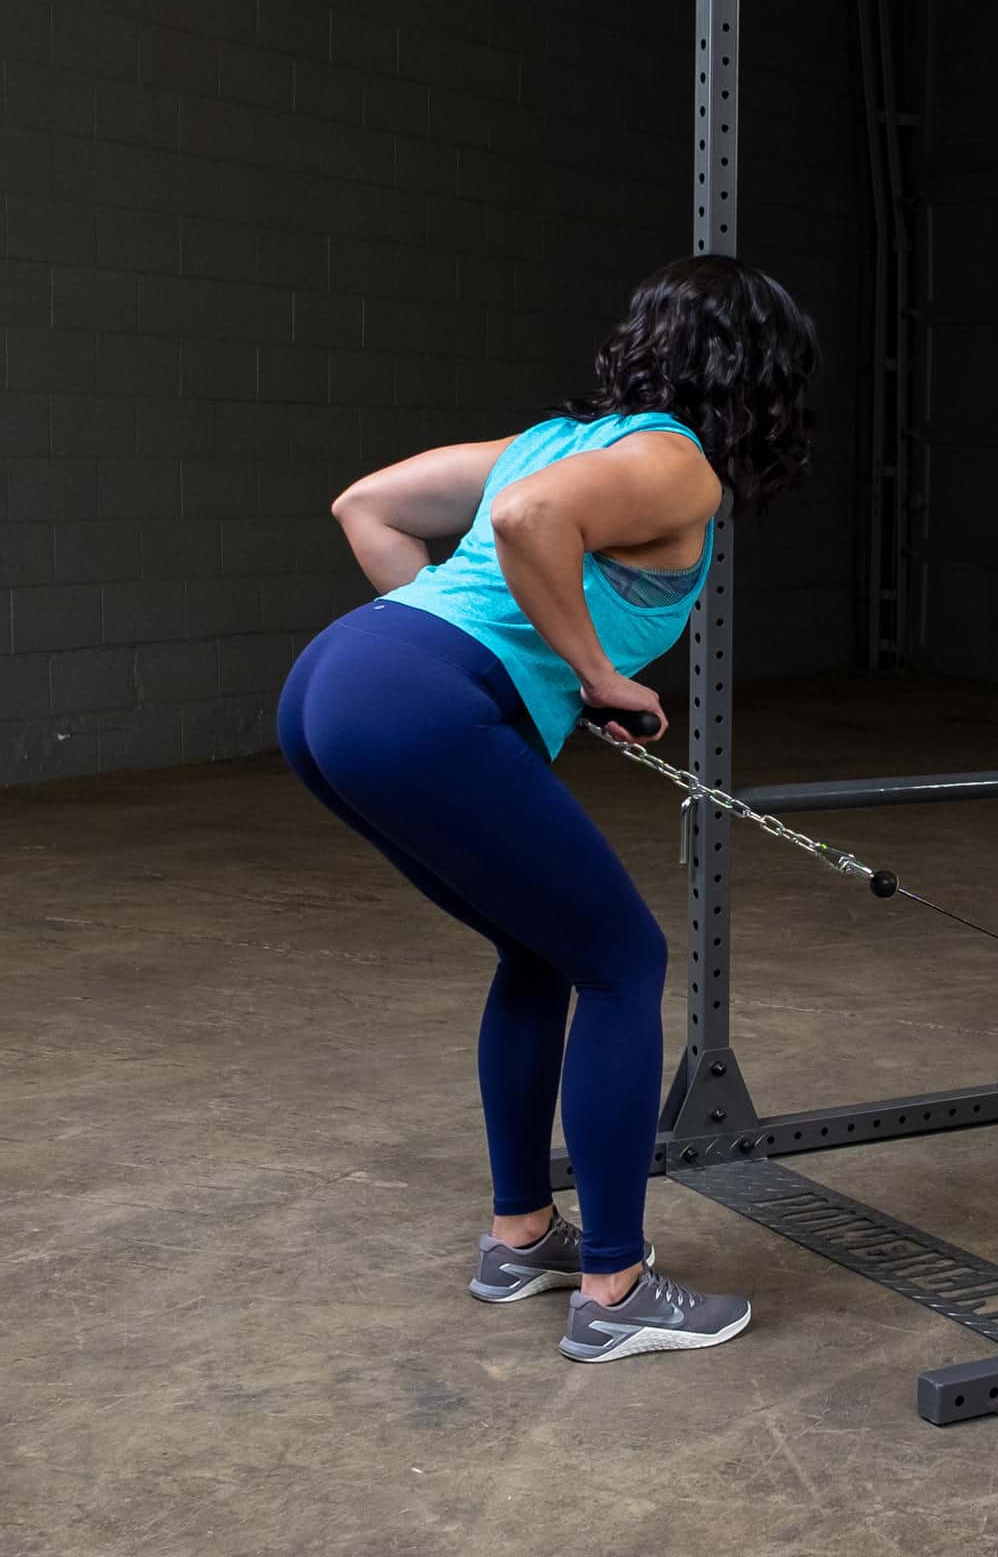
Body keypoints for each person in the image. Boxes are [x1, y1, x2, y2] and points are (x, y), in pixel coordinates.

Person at [278, 255, 817, 1363]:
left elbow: (365, 505)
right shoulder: (676, 464)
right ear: (761, 373)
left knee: (539, 952)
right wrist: (592, 672)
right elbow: (529, 523)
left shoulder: (546, 442)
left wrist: (471, 660)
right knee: (623, 961)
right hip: (409, 696)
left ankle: (521, 1236)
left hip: (338, 679)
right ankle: (616, 1290)